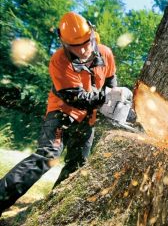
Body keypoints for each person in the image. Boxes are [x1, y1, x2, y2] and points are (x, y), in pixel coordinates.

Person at [0, 12, 117, 215]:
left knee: (77, 166)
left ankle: (51, 211)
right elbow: (76, 98)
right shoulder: (59, 60)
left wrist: (115, 100)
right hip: (61, 115)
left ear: (92, 35)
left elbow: (110, 83)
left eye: (85, 42)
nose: (82, 49)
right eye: (75, 46)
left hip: (88, 119)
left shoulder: (105, 53)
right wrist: (106, 97)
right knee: (47, 156)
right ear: (64, 43)